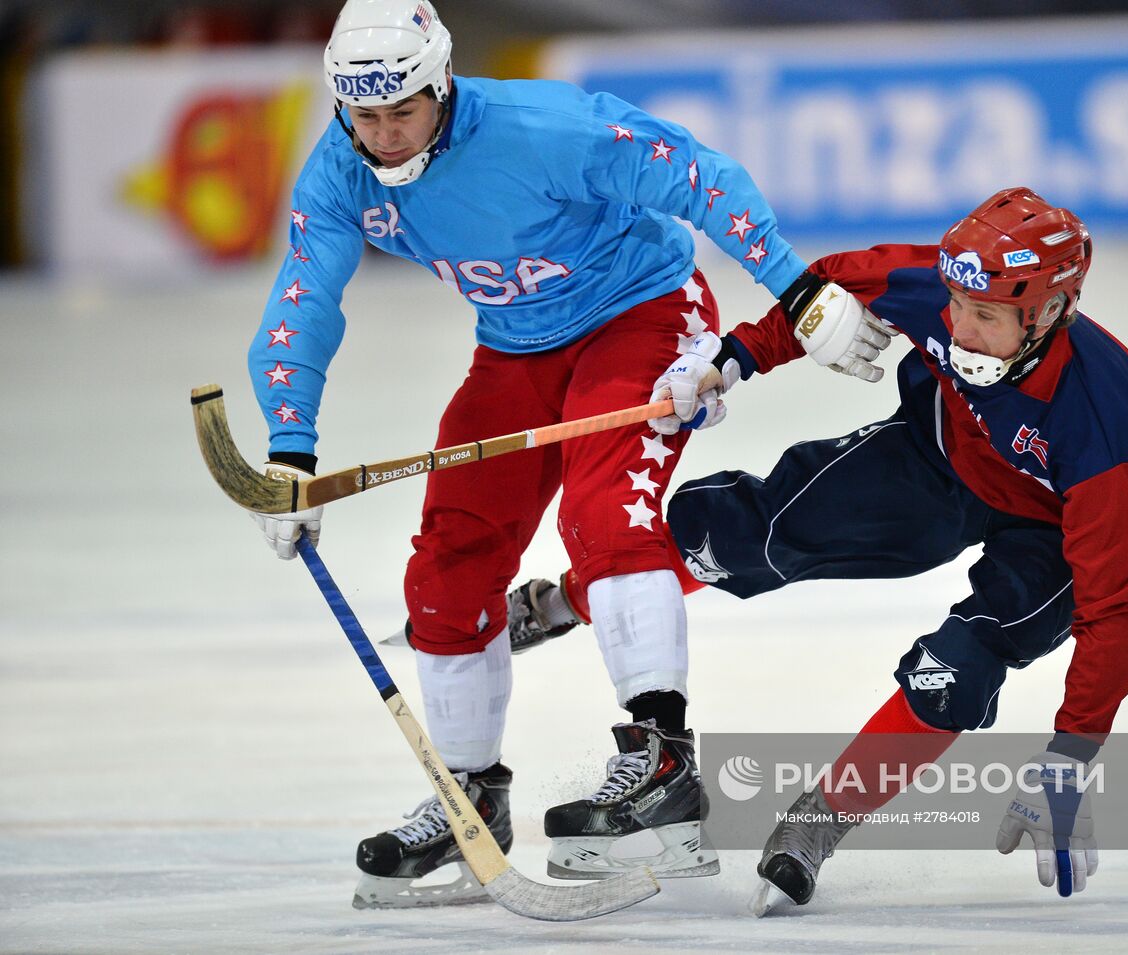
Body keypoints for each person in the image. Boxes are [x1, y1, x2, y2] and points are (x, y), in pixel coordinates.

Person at [242, 0, 882, 909]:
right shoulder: (341, 169)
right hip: (515, 345)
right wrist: (290, 446)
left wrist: (798, 287)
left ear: (442, 84)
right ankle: (472, 799)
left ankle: (663, 765)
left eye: (402, 113)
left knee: (603, 515)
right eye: (364, 116)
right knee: (449, 555)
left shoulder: (545, 128)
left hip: (643, 312)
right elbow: (305, 298)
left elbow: (695, 172)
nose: (382, 138)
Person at [512, 187, 1128, 912]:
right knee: (733, 534)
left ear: (1052, 311)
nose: (958, 327)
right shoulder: (947, 288)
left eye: (986, 317)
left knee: (953, 675)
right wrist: (735, 356)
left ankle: (816, 824)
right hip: (939, 461)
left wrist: (1071, 758)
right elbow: (828, 287)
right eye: (956, 304)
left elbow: (1124, 609)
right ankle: (565, 600)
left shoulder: (1116, 435)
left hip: (1051, 537)